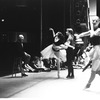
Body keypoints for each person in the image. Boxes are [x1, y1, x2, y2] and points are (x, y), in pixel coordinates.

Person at [76, 16, 100, 88]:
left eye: (96, 21)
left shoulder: (99, 30)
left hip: (98, 51)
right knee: (97, 70)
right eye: (93, 21)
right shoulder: (91, 31)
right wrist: (78, 35)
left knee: (94, 70)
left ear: (99, 21)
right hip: (94, 50)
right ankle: (88, 84)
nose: (94, 22)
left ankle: (88, 84)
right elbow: (84, 34)